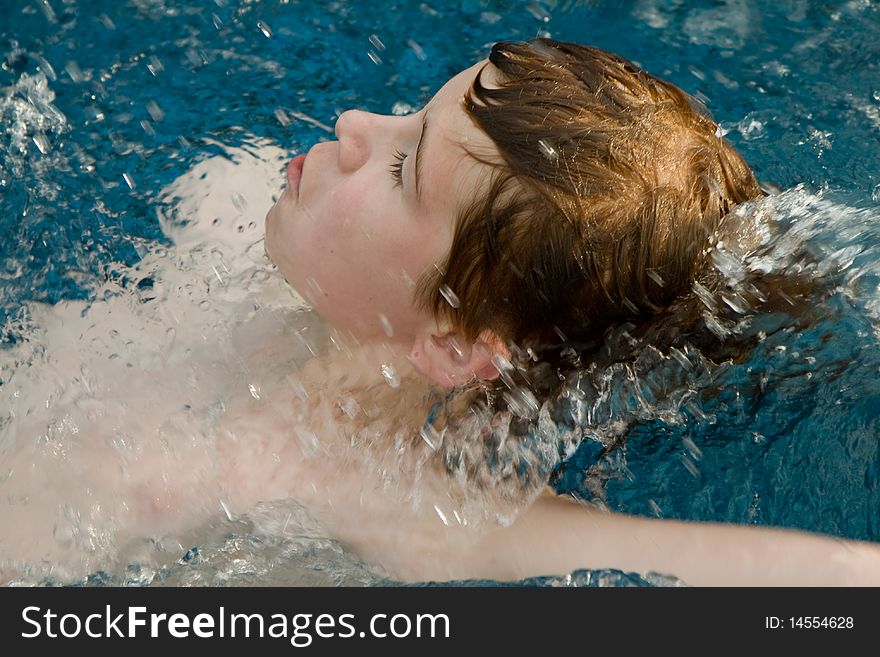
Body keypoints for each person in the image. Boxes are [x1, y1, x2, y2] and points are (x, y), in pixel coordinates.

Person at [260, 38, 880, 585]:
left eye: (401, 170)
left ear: (458, 345)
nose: (352, 123)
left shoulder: (433, 515)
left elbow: (833, 582)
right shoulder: (235, 202)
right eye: (414, 115)